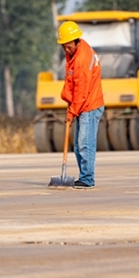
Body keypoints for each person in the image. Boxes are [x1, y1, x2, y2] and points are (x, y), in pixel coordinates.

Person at [58, 21, 105, 189]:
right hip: (82, 103)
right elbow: (71, 81)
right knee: (78, 145)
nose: (66, 49)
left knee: (86, 144)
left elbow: (82, 91)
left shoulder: (82, 59)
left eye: (68, 46)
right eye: (63, 46)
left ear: (76, 40)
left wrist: (71, 112)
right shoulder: (73, 53)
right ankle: (84, 176)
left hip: (90, 105)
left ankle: (87, 179)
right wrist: (67, 97)